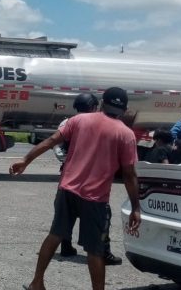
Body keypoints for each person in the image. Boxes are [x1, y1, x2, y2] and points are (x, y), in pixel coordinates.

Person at [10, 87, 141, 290]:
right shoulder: (126, 134)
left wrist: (26, 160)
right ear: (124, 109)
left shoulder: (79, 120)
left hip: (67, 189)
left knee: (55, 235)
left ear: (102, 103)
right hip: (95, 198)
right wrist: (136, 208)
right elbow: (129, 174)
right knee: (95, 251)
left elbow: (52, 141)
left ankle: (37, 282)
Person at [55, 93, 121, 265]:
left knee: (64, 214)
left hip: (68, 176)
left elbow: (57, 147)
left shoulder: (68, 122)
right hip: (93, 180)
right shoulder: (99, 123)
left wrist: (69, 161)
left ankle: (66, 245)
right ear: (93, 107)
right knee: (103, 214)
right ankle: (103, 251)